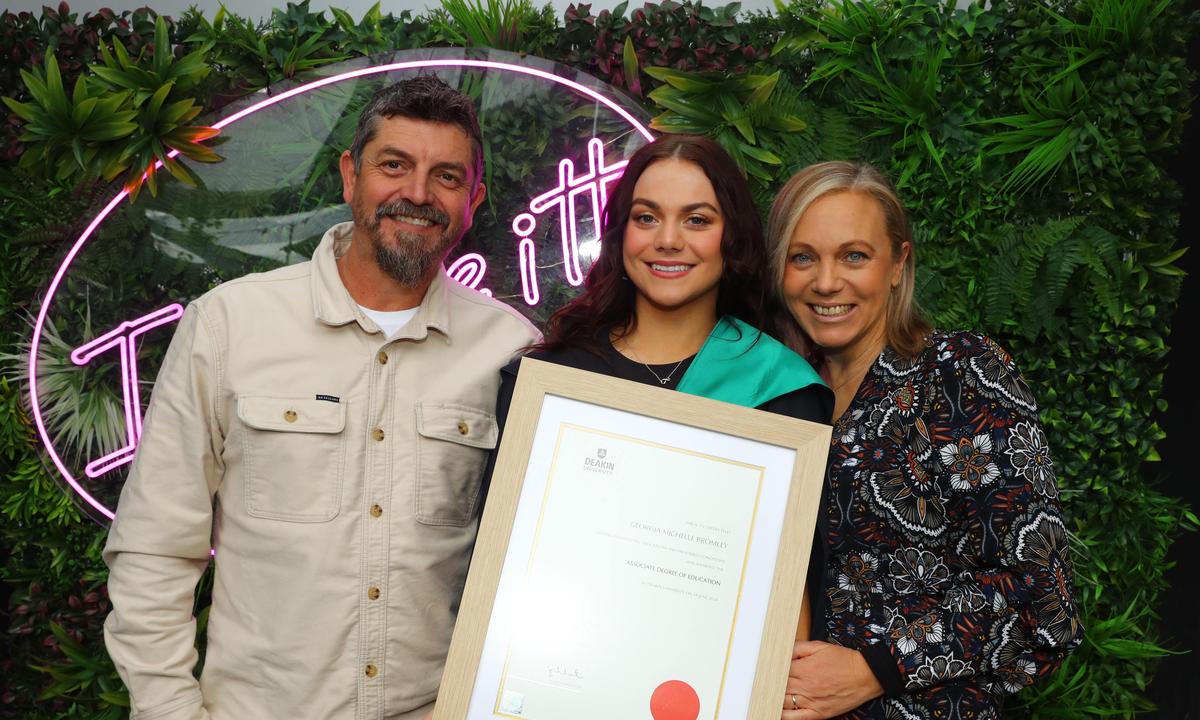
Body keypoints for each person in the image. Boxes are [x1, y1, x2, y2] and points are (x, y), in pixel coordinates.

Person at [102, 75, 539, 720]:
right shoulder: (230, 325)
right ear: (349, 176)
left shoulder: (511, 351)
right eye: (394, 165)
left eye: (446, 176)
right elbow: (155, 546)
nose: (417, 193)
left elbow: (533, 570)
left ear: (472, 199)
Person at [768, 161, 1082, 719]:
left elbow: (1044, 602)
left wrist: (875, 669)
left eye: (854, 255)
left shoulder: (960, 376)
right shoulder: (781, 396)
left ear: (898, 265)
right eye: (803, 257)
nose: (825, 281)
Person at [494, 133, 832, 474]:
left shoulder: (779, 389)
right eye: (646, 218)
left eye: (697, 220)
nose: (668, 240)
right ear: (622, 233)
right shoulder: (549, 379)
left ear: (733, 236)